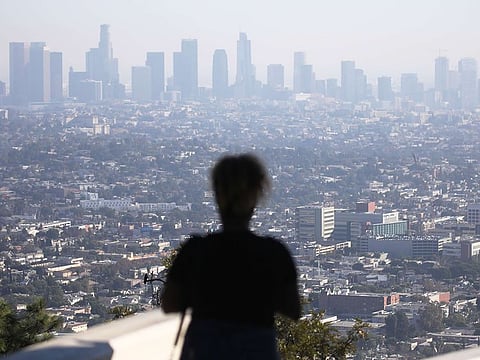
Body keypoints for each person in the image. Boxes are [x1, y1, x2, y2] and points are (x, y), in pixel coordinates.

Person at [161, 153, 300, 360]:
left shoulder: (195, 251)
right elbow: (293, 310)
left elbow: (170, 304)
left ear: (217, 195)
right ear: (256, 196)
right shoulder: (273, 254)